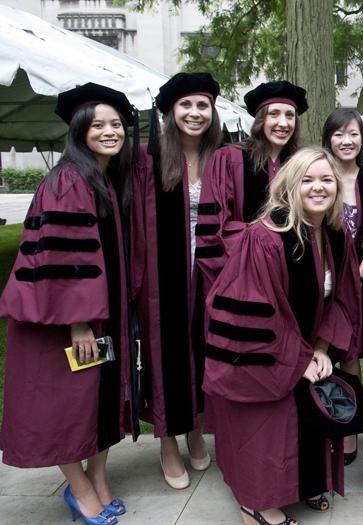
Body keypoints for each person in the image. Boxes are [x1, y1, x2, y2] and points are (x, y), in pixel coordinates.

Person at [0, 83, 135, 525]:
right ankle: (79, 490)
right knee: (69, 405)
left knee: (101, 399)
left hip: (104, 313)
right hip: (70, 320)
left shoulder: (103, 178)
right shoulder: (67, 181)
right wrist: (80, 322)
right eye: (97, 125)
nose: (110, 131)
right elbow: (63, 258)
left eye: (116, 124)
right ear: (79, 131)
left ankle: (98, 480)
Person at [203, 147, 361, 525]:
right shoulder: (266, 237)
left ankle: (305, 483)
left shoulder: (336, 234)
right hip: (267, 353)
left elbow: (344, 297)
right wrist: (299, 358)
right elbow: (254, 310)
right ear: (290, 185)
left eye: (326, 180)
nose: (318, 187)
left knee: (309, 410)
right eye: (307, 180)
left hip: (307, 347)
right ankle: (256, 504)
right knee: (270, 421)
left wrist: (321, 347)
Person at [130, 72, 224, 489]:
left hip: (210, 272)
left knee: (203, 351)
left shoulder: (222, 158)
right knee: (165, 356)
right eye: (186, 105)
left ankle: (195, 430)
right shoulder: (147, 160)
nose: (195, 113)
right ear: (171, 111)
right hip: (161, 275)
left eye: (203, 105)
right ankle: (168, 441)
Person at [195, 80, 307, 290]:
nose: (283, 123)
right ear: (260, 119)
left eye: (290, 115)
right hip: (240, 275)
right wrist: (260, 242)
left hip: (292, 273)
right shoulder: (228, 159)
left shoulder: (302, 164)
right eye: (274, 114)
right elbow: (212, 228)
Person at [320, 107, 363, 464]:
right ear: (328, 138)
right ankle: (320, 419)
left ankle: (348, 430)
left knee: (349, 354)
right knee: (318, 352)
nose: (347, 141)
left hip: (358, 282)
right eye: (339, 134)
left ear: (362, 139)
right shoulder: (318, 176)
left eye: (353, 134)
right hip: (321, 279)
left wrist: (362, 265)